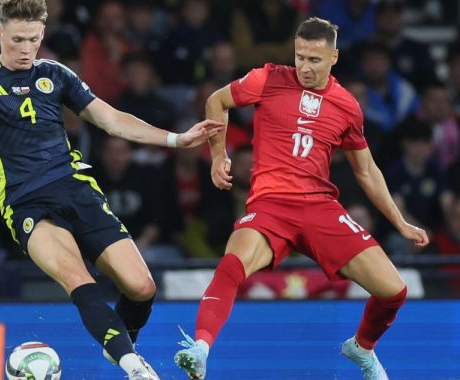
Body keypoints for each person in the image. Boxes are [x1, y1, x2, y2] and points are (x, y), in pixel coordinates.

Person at [0, 1, 223, 379]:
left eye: (34, 40)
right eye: (18, 39)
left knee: (142, 287)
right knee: (78, 279)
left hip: (76, 189)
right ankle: (133, 365)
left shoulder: (55, 74)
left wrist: (175, 139)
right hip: (26, 203)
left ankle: (119, 341)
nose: (25, 48)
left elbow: (111, 119)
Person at [173, 17, 428, 380]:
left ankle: (362, 347)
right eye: (300, 57)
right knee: (232, 264)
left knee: (394, 291)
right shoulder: (268, 78)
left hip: (320, 207)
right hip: (271, 204)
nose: (305, 67)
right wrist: (218, 156)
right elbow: (218, 100)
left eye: (314, 60)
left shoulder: (347, 106)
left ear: (334, 57)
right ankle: (199, 348)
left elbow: (366, 170)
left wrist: (399, 221)